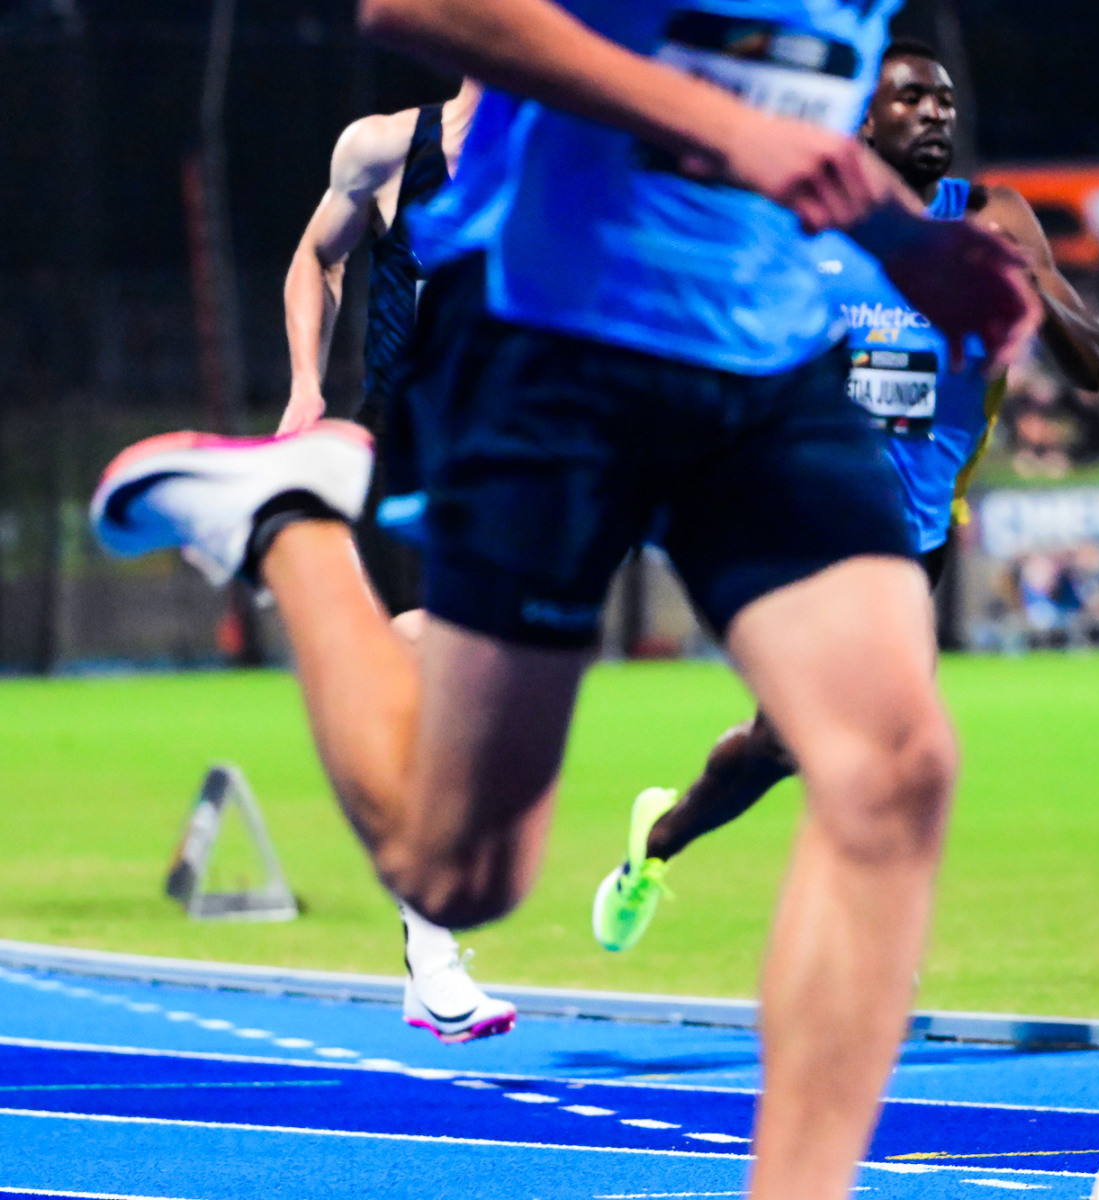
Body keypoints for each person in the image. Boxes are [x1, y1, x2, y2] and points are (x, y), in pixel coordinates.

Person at [88, 2, 1038, 1198]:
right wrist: (743, 139)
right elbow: (418, 11)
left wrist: (897, 234)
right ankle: (288, 522)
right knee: (459, 872)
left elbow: (788, 81)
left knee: (892, 764)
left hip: (766, 350)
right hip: (560, 331)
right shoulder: (388, 151)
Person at [591, 38, 1099, 955]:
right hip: (809, 513)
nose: (935, 114)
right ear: (865, 120)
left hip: (918, 530)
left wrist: (1025, 280)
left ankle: (658, 841)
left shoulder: (991, 216)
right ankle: (865, 953)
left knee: (785, 743)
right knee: (884, 747)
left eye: (945, 102)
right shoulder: (807, 220)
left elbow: (1092, 366)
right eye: (912, 99)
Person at [280, 77, 515, 1045]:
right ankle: (432, 947)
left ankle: (431, 939)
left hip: (515, 458)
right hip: (401, 450)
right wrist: (306, 384)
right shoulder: (382, 148)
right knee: (432, 666)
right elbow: (316, 256)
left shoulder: (570, 154)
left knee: (481, 700)